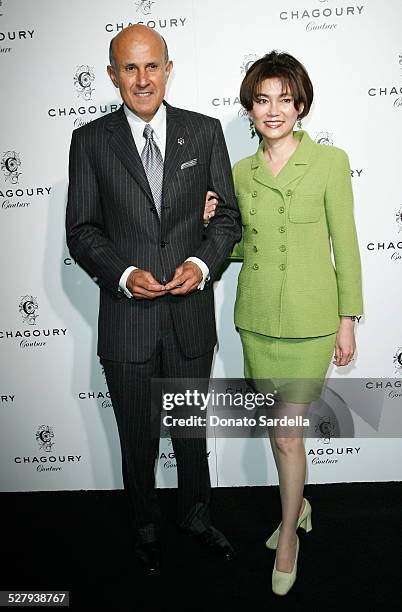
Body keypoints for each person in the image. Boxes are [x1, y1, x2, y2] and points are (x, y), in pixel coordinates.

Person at [66, 24, 241, 576]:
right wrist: (123, 273)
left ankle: (195, 515)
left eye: (152, 66)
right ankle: (145, 523)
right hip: (128, 321)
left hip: (190, 318)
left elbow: (229, 219)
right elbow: (82, 229)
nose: (142, 79)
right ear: (113, 73)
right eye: (129, 68)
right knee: (137, 437)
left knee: (192, 433)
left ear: (168, 69)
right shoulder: (90, 140)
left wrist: (200, 264)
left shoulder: (205, 132)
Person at [204, 50, 363, 595]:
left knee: (288, 436)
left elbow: (345, 244)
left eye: (285, 100)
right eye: (263, 99)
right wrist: (211, 228)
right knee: (280, 435)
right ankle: (302, 503)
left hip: (311, 322)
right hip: (256, 321)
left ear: (300, 105)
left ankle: (289, 534)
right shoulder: (239, 172)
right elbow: (247, 247)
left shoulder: (330, 162)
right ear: (250, 107)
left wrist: (348, 320)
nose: (274, 110)